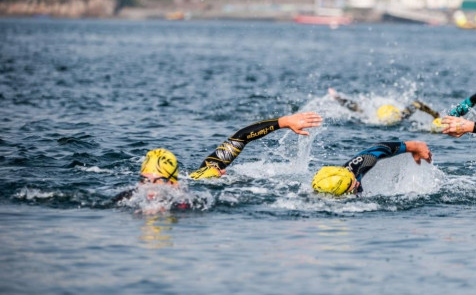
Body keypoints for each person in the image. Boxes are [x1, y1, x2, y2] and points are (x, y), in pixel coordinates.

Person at [115, 112, 323, 203]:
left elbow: (240, 138)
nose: (149, 189)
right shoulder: (126, 199)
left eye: (157, 181)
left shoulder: (199, 182)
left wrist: (283, 122)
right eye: (145, 180)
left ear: (173, 183)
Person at [312, 140, 432, 196]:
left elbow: (378, 149)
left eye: (354, 180)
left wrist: (412, 146)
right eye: (353, 188)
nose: (357, 184)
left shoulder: (350, 171)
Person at [328, 88, 442, 127]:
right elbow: (417, 104)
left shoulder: (401, 116)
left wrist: (435, 115)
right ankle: (337, 98)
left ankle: (337, 97)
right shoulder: (374, 120)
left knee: (359, 110)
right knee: (358, 110)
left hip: (392, 113)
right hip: (383, 113)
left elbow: (418, 104)